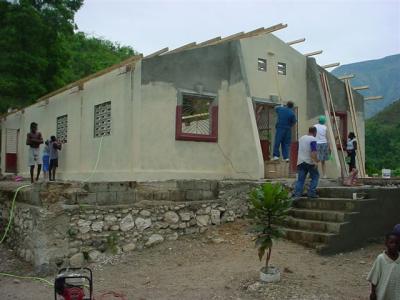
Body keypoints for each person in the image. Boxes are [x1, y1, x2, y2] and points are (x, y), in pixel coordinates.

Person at [367, 232, 400, 300]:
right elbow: (374, 278)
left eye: (396, 243)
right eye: (391, 242)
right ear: (386, 243)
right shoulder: (381, 259)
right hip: (383, 294)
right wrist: (373, 293)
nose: (394, 245)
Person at [293, 126, 319, 199]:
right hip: (309, 162)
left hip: (300, 162)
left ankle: (297, 195)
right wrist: (315, 161)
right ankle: (311, 193)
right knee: (315, 177)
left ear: (309, 131)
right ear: (315, 132)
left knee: (300, 180)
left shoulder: (301, 138)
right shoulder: (313, 139)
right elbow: (313, 151)